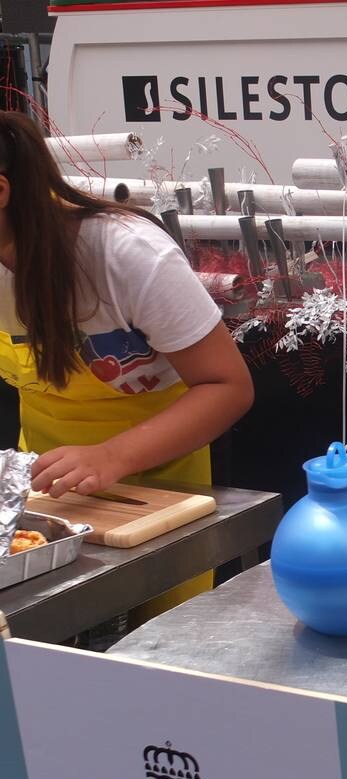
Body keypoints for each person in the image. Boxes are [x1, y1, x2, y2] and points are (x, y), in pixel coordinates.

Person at [0, 111, 253, 622]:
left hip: (163, 493)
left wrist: (112, 457)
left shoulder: (126, 254)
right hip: (44, 504)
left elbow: (228, 386)